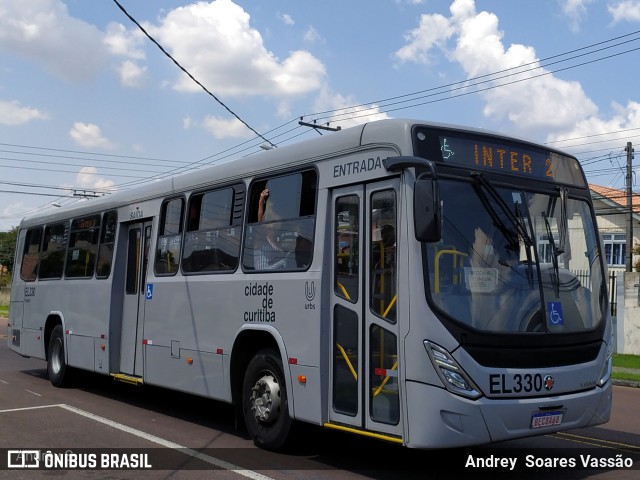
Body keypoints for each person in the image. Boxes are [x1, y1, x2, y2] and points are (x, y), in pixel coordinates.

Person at [254, 188, 290, 270]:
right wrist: (261, 201)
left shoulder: (277, 240)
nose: (273, 226)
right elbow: (262, 270)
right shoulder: (261, 237)